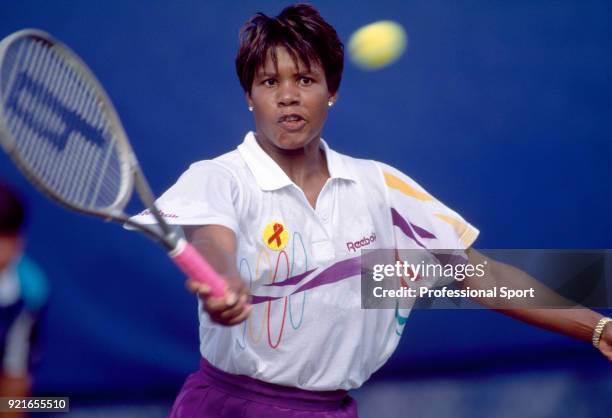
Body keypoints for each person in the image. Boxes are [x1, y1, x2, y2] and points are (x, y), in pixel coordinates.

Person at [131, 4, 611, 417]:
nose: (288, 94)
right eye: (269, 81)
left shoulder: (379, 188)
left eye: (305, 78)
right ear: (249, 97)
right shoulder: (221, 177)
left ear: (331, 91)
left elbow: (478, 275)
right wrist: (224, 276)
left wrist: (597, 329)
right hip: (228, 405)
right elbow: (212, 237)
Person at [0, 183, 48, 416]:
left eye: (5, 237)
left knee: (57, 403)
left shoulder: (31, 289)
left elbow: (16, 375)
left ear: (19, 241)